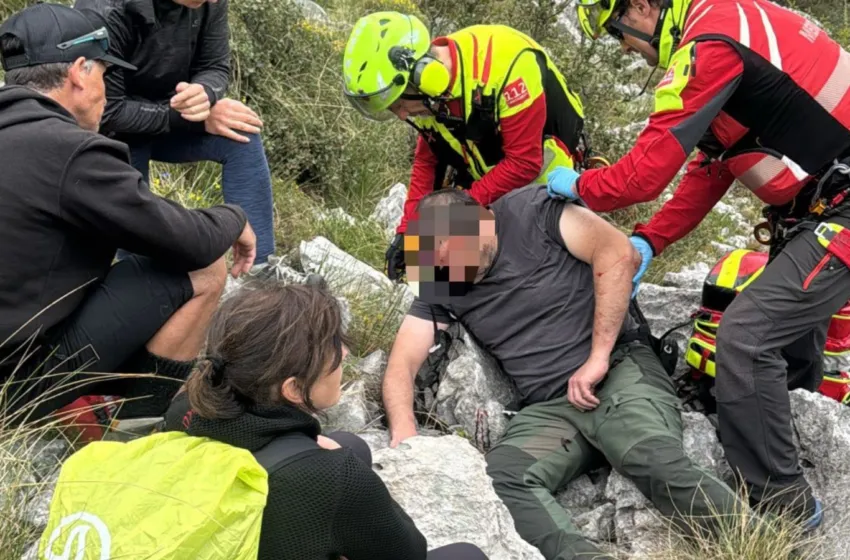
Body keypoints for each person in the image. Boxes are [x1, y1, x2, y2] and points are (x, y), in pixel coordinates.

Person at [547, 0, 850, 526]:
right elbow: (712, 169)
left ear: (641, 7)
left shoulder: (709, 45)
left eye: (619, 32)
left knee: (746, 337)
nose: (624, 47)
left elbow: (639, 179)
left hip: (839, 208)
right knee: (786, 336)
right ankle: (791, 432)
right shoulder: (730, 25)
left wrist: (575, 184)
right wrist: (650, 240)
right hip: (821, 204)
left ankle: (785, 505)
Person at [382, 185, 740, 559]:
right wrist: (407, 439)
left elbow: (619, 253)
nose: (453, 272)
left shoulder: (533, 212)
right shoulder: (439, 275)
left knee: (648, 455)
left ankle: (763, 541)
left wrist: (598, 357)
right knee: (504, 476)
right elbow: (402, 364)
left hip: (618, 370)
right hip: (554, 411)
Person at [0, 3, 255, 425]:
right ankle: (138, 429)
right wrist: (234, 218)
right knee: (205, 269)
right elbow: (189, 241)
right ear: (80, 72)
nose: (106, 88)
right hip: (15, 386)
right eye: (104, 73)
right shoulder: (70, 152)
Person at [162, 282, 489, 560]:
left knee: (352, 444)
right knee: (467, 555)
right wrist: (348, 483)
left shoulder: (187, 406)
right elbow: (410, 552)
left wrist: (310, 447)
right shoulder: (336, 477)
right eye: (334, 348)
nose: (345, 354)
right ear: (294, 388)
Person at [342, 12, 589, 281]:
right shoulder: (428, 95)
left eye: (400, 104)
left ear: (424, 76)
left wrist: (460, 210)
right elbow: (428, 161)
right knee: (445, 271)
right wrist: (407, 231)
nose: (402, 115)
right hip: (486, 167)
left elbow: (524, 163)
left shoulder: (508, 66)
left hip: (546, 172)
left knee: (537, 267)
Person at [73, 0, 276, 266]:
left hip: (166, 116)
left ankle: (261, 269)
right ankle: (134, 272)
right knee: (129, 152)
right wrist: (191, 120)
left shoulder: (208, 2)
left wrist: (205, 94)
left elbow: (214, 66)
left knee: (240, 130)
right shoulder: (106, 10)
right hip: (111, 128)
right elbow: (106, 111)